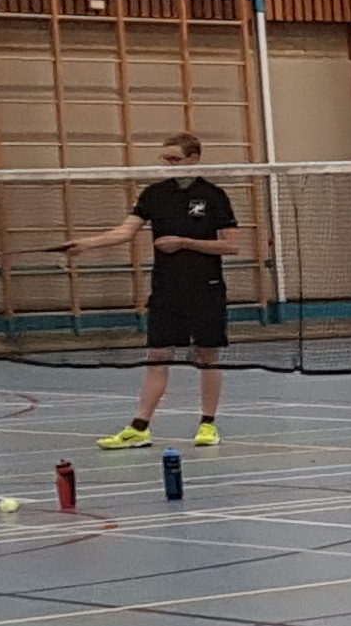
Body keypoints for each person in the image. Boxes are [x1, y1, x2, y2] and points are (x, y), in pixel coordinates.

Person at [65, 132, 237, 450]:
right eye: (165, 158)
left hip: (206, 288)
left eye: (175, 159)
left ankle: (208, 425)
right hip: (166, 288)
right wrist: (86, 244)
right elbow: (125, 231)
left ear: (193, 158)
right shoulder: (155, 194)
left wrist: (184, 242)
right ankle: (140, 427)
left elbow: (231, 246)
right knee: (157, 356)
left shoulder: (213, 195)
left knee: (208, 356)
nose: (169, 164)